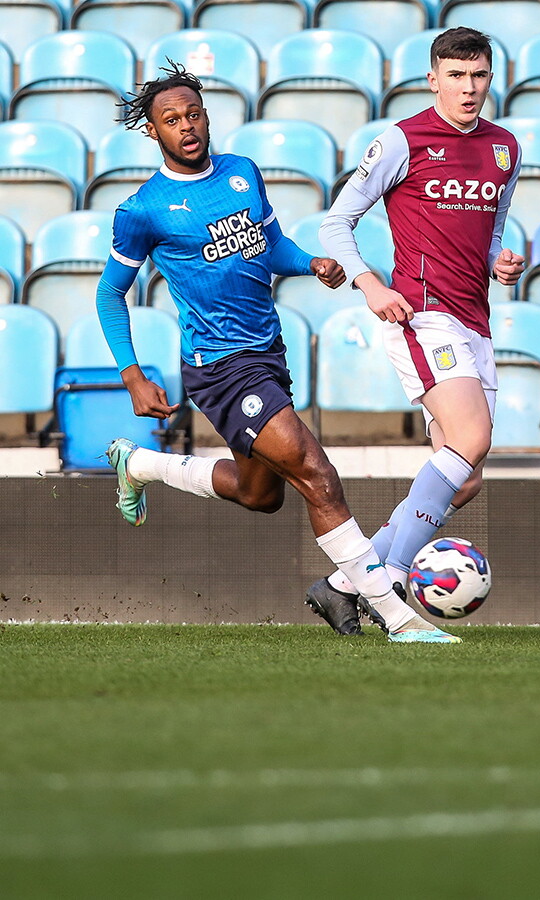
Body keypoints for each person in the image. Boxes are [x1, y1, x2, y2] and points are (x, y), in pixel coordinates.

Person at [96, 61, 460, 644]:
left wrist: (307, 262)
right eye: (171, 120)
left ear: (206, 117)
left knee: (258, 494)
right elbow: (109, 294)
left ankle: (139, 464)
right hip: (219, 366)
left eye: (193, 114)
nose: (185, 126)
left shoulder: (242, 172)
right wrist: (133, 374)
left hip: (268, 352)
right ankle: (400, 619)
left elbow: (268, 245)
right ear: (153, 131)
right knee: (318, 473)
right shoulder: (143, 209)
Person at [305, 26, 525, 635]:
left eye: (479, 75)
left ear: (490, 78)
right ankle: (393, 580)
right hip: (423, 313)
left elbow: (493, 230)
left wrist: (500, 261)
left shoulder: (504, 148)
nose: (469, 87)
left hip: (475, 318)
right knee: (472, 438)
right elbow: (336, 224)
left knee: (467, 477)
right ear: (433, 79)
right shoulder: (403, 141)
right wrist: (370, 284)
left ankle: (345, 581)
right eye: (456, 76)